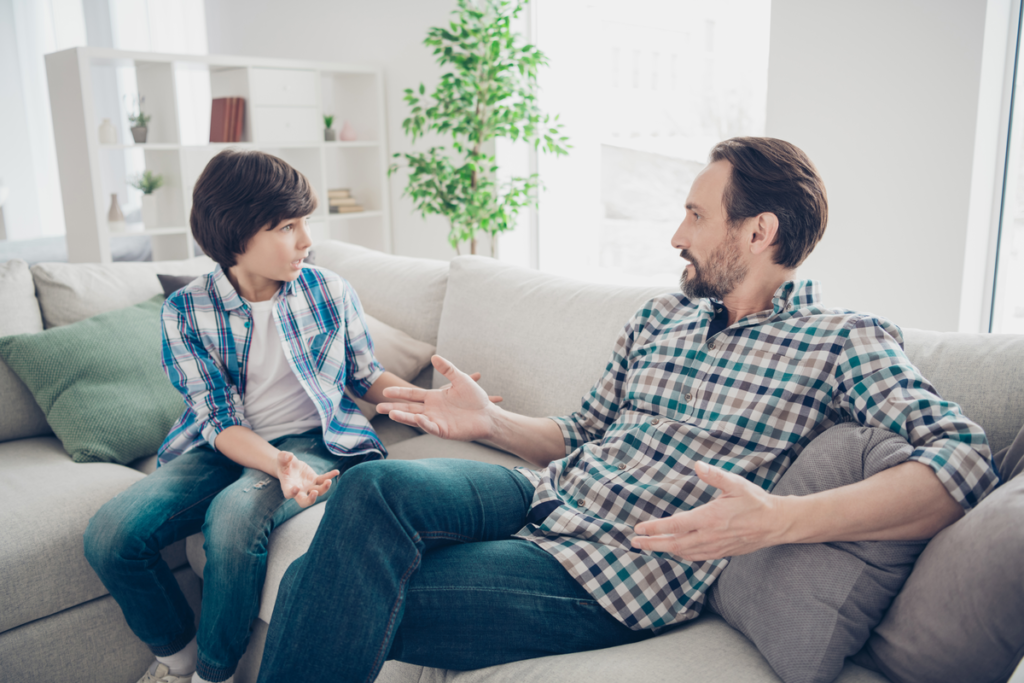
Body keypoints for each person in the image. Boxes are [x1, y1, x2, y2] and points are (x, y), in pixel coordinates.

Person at [255, 137, 999, 683]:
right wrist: (489, 423)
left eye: (696, 215)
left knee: (315, 586)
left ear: (759, 231)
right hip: (543, 496)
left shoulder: (840, 341)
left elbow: (963, 460)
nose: (677, 236)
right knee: (373, 485)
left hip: (611, 571)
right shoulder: (661, 318)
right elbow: (581, 433)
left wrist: (781, 519)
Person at [83, 149, 425, 683]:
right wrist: (275, 463)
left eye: (304, 222)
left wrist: (428, 402)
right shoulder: (185, 311)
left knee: (233, 520)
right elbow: (219, 419)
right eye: (288, 226)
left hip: (316, 441)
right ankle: (178, 658)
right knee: (110, 534)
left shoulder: (328, 290)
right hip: (225, 445)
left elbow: (365, 376)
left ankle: (213, 674)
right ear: (236, 232)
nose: (306, 240)